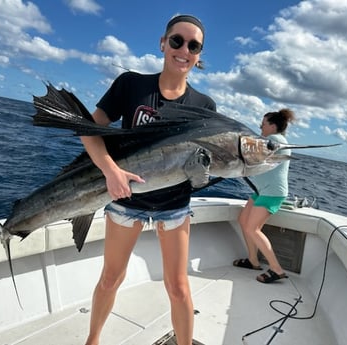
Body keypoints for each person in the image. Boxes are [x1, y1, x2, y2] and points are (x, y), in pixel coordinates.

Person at [81, 14, 216, 345]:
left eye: (193, 45)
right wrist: (110, 171)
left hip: (174, 207)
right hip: (128, 200)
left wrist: (203, 172)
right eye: (177, 41)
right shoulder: (131, 84)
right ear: (162, 43)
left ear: (199, 56)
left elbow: (203, 165)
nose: (184, 49)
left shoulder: (204, 105)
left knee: (179, 287)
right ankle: (92, 341)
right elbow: (88, 127)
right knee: (111, 278)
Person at [234, 109, 295, 284]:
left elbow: (248, 152)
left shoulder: (274, 140)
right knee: (244, 220)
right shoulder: (273, 140)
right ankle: (253, 261)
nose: (260, 126)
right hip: (262, 191)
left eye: (264, 124)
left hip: (272, 192)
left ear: (273, 126)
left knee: (252, 228)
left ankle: (277, 269)